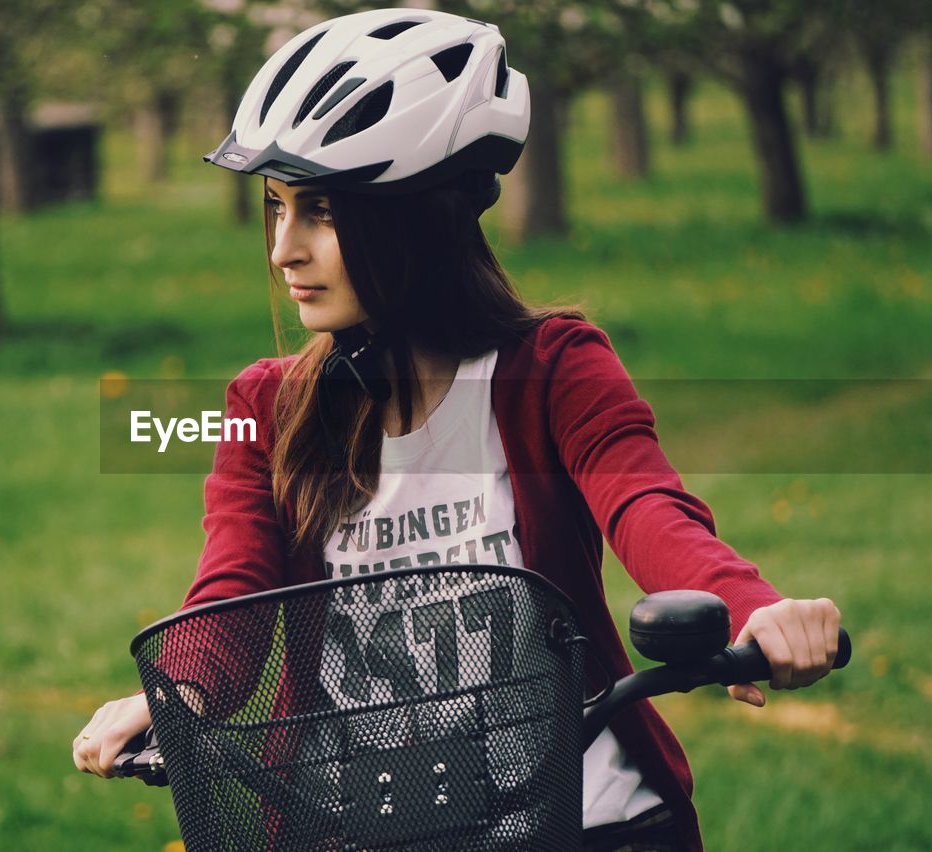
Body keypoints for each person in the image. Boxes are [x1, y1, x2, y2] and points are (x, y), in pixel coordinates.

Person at [74, 9, 842, 850]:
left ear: (421, 217)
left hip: (581, 819)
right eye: (276, 207)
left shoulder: (551, 370)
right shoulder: (268, 408)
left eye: (322, 211)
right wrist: (176, 692)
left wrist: (752, 608)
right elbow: (234, 594)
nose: (282, 250)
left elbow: (646, 507)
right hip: (355, 829)